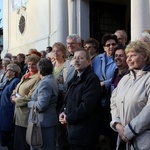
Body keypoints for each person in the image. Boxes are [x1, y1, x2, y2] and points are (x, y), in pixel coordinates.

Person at [110, 40, 150, 149]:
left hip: (144, 141)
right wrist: (117, 124)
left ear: (145, 57)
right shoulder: (124, 79)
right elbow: (113, 102)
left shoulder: (148, 78)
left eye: (133, 55)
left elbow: (149, 110)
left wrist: (129, 131)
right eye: (127, 56)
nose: (129, 59)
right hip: (123, 139)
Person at [59, 49, 102, 150]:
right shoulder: (75, 78)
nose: (76, 60)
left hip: (84, 134)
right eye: (74, 58)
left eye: (80, 58)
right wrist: (63, 112)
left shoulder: (92, 79)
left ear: (89, 62)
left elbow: (87, 106)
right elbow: (68, 99)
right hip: (73, 131)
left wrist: (69, 118)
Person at [92, 33, 118, 149]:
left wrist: (104, 83)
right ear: (104, 47)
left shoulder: (119, 58)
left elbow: (120, 76)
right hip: (98, 99)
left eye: (113, 44)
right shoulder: (97, 59)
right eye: (108, 45)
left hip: (112, 99)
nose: (111, 47)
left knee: (111, 130)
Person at [11, 54, 41, 150]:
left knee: (24, 144)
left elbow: (31, 97)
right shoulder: (25, 75)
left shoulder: (38, 78)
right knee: (18, 143)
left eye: (33, 64)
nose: (30, 66)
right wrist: (13, 95)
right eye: (29, 64)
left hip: (26, 116)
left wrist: (17, 100)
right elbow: (16, 90)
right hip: (18, 115)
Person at [28, 58, 58, 150]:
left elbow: (41, 105)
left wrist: (30, 103)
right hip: (45, 122)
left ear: (39, 70)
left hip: (43, 123)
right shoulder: (51, 80)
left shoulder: (45, 83)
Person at [0, 63, 21, 150]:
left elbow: (15, 97)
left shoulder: (15, 81)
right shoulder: (8, 81)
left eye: (10, 70)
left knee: (9, 139)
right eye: (7, 70)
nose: (7, 71)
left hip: (9, 114)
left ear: (15, 72)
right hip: (4, 112)